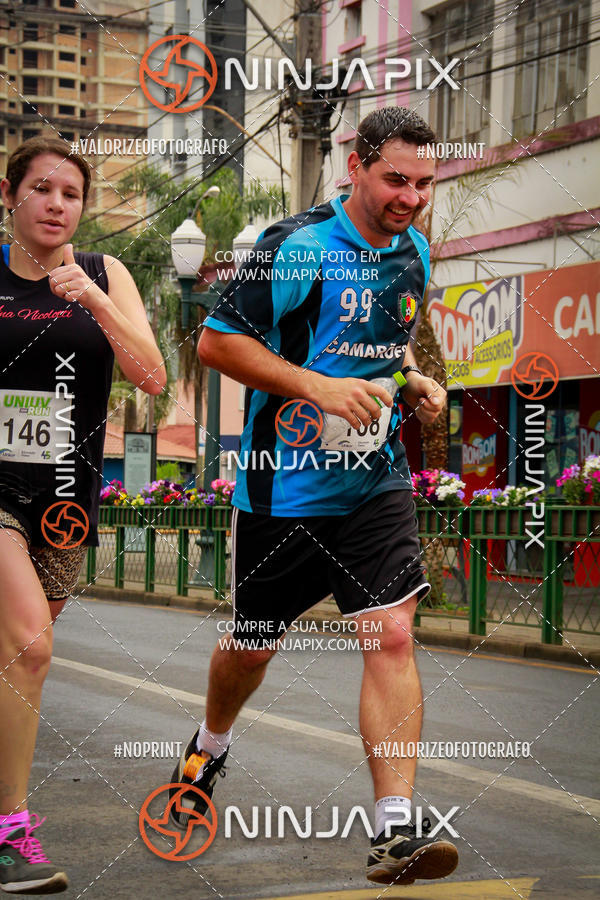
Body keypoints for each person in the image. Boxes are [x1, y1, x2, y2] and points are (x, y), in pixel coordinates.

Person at [169, 107, 458, 886]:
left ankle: (394, 828)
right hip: (281, 489)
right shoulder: (296, 247)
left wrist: (411, 381)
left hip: (371, 485)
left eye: (425, 183)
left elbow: (380, 348)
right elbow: (217, 341)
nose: (410, 198)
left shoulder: (414, 253)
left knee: (391, 635)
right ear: (356, 166)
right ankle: (208, 746)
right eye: (395, 179)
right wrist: (319, 390)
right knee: (251, 647)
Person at [0, 136, 166, 894]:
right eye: (41, 189)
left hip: (65, 498)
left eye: (70, 193)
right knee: (31, 648)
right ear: (11, 198)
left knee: (13, 663)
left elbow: (152, 376)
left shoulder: (107, 275)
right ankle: (11, 835)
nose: (56, 203)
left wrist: (94, 301)